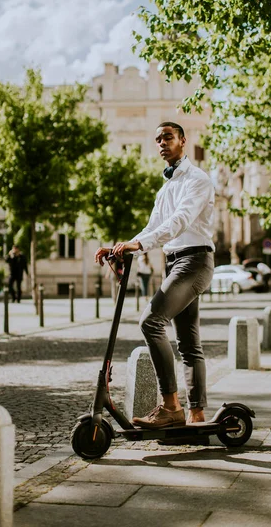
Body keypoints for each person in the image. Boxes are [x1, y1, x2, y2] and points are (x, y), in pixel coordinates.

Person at [95, 121, 215, 429]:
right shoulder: (165, 188)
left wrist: (141, 243)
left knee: (151, 321)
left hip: (195, 260)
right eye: (158, 139)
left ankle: (171, 405)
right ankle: (197, 415)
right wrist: (122, 247)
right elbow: (151, 229)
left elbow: (180, 220)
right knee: (189, 343)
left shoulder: (197, 179)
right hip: (174, 262)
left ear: (183, 141)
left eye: (168, 137)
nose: (162, 142)